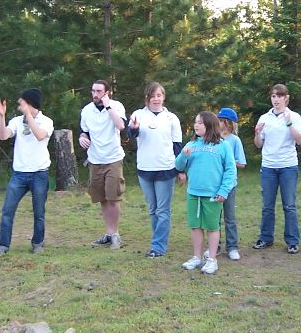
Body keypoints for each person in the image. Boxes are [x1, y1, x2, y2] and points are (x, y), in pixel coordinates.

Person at [0, 89, 54, 258]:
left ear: (30, 103)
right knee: (7, 210)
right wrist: (2, 116)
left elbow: (40, 135)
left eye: (21, 103)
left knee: (39, 212)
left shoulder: (46, 121)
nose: (19, 106)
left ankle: (37, 243)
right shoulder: (16, 121)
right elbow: (3, 136)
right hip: (19, 174)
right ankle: (3, 245)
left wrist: (29, 115)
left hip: (39, 173)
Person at [175, 111, 236, 274]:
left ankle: (212, 260)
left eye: (200, 123)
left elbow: (230, 170)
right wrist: (183, 156)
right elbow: (178, 166)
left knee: (212, 227)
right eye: (195, 122)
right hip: (194, 193)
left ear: (209, 125)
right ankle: (197, 257)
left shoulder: (223, 145)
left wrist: (224, 191)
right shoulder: (191, 145)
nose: (196, 125)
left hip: (213, 195)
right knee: (195, 226)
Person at [128, 82, 183, 258]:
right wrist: (133, 129)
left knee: (162, 210)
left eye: (159, 95)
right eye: (152, 96)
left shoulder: (171, 118)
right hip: (145, 168)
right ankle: (158, 239)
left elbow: (177, 146)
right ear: (147, 98)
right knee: (152, 209)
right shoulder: (138, 115)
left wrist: (181, 170)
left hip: (166, 168)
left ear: (163, 97)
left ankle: (158, 247)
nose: (156, 99)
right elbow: (132, 134)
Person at [253, 84, 301, 253]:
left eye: (279, 96)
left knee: (289, 205)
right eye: (273, 96)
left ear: (286, 98)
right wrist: (257, 133)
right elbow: (259, 144)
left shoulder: (294, 116)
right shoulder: (264, 118)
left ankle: (292, 241)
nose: (276, 99)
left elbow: (300, 140)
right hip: (268, 166)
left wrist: (289, 124)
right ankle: (265, 238)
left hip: (288, 166)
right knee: (267, 206)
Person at [79, 80, 127, 249]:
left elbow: (121, 125)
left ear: (107, 93)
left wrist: (108, 106)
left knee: (113, 197)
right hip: (95, 160)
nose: (95, 94)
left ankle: (115, 235)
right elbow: (84, 131)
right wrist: (82, 138)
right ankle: (109, 233)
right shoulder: (87, 110)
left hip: (113, 158)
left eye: (99, 91)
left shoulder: (116, 106)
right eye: (93, 91)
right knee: (102, 198)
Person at [204, 108, 246, 261]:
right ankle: (215, 247)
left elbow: (241, 163)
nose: (218, 123)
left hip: (229, 185)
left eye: (221, 120)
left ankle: (232, 247)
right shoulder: (212, 139)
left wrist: (228, 161)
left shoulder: (235, 140)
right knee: (214, 217)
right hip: (213, 184)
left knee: (230, 217)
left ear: (228, 123)